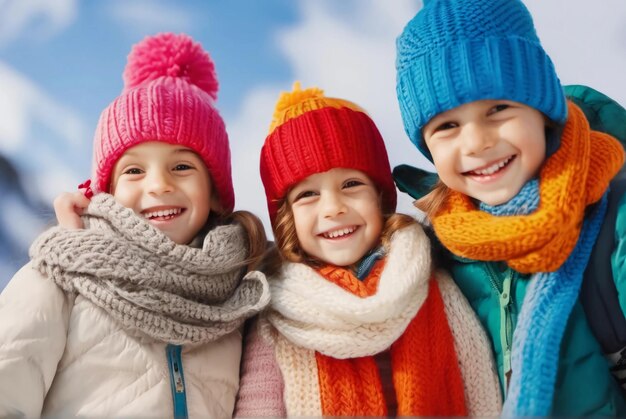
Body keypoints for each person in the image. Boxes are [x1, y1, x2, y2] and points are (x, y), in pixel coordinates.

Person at [0, 32, 270, 417]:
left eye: (181, 166)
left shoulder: (238, 300)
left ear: (214, 192)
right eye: (134, 170)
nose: (159, 184)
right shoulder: (60, 280)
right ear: (105, 191)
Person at [394, 0, 626, 416]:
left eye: (498, 109)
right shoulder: (435, 253)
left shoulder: (615, 217)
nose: (477, 142)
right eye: (447, 126)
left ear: (543, 110)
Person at [233, 83, 502, 417]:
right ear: (287, 219)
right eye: (308, 195)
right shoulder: (278, 313)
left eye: (351, 185)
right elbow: (258, 407)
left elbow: (480, 387)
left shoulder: (431, 280)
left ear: (380, 197)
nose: (333, 208)